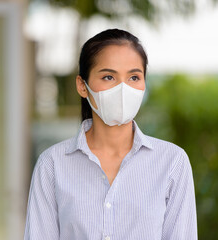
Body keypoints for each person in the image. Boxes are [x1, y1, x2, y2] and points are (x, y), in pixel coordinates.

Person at [24, 29, 197, 240]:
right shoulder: (52, 165)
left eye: (134, 77)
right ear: (82, 86)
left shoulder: (172, 162)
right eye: (108, 77)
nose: (123, 89)